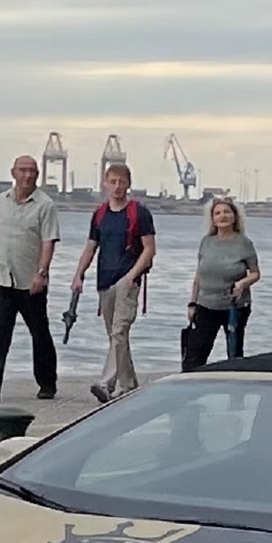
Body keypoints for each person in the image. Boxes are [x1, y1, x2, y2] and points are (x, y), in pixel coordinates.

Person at [0, 154, 58, 402]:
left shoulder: (45, 205)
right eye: (23, 170)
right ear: (13, 173)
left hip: (30, 281)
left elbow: (48, 241)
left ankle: (47, 383)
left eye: (32, 171)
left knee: (39, 334)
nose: (27, 175)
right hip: (1, 278)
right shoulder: (0, 201)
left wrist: (42, 273)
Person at [69, 161, 157, 403]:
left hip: (128, 280)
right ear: (105, 183)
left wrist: (131, 276)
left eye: (122, 182)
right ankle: (129, 385)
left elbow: (149, 249)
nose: (117, 187)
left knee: (119, 332)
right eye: (113, 182)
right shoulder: (100, 214)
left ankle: (109, 383)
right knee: (115, 337)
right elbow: (90, 247)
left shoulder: (139, 213)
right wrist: (79, 274)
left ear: (129, 184)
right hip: (104, 281)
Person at [181, 196, 260, 371]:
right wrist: (192, 303)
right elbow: (198, 276)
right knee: (194, 356)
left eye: (226, 212)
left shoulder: (244, 243)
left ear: (234, 216)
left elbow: (255, 274)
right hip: (206, 305)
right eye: (217, 213)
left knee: (234, 354)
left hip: (234, 306)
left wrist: (242, 283)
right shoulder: (207, 242)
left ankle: (235, 390)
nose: (222, 216)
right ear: (213, 219)